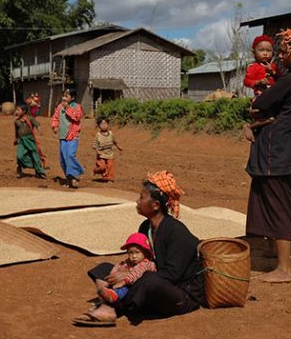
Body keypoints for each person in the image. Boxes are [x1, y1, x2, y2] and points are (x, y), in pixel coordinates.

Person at [72, 171, 205, 327]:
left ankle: (110, 307)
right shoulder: (145, 227)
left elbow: (172, 274)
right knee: (103, 269)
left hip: (180, 294)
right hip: (150, 280)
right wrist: (124, 272)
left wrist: (129, 277)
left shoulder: (177, 232)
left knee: (149, 279)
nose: (137, 201)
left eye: (142, 198)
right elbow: (141, 259)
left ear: (155, 205)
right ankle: (111, 297)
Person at [243, 23, 291, 283]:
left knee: (278, 208)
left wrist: (255, 113)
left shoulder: (288, 80)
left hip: (277, 152)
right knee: (289, 205)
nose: (280, 56)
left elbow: (260, 103)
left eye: (286, 51)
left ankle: (283, 269)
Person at [96, 232, 156, 304]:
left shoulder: (146, 263)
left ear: (145, 252)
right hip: (129, 282)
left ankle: (114, 297)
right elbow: (119, 266)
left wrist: (123, 282)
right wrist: (113, 275)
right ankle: (108, 296)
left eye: (137, 252)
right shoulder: (129, 261)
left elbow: (136, 273)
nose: (134, 256)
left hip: (140, 288)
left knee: (125, 289)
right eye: (130, 253)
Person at [243, 35, 280, 142]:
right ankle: (250, 126)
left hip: (273, 97)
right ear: (254, 52)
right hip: (261, 96)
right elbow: (246, 81)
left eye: (268, 50)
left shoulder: (273, 67)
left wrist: (273, 72)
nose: (265, 53)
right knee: (269, 117)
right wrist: (258, 82)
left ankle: (252, 127)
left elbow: (281, 79)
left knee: (274, 118)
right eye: (261, 50)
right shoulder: (252, 67)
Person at [51, 88, 84, 188]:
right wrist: (55, 126)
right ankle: (69, 178)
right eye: (63, 95)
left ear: (72, 98)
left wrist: (67, 108)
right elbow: (55, 118)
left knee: (70, 155)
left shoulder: (77, 106)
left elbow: (77, 117)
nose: (64, 98)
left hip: (73, 136)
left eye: (66, 96)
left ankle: (75, 175)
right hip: (62, 137)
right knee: (63, 159)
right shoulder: (59, 107)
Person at [14, 104, 47, 179]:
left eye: (18, 110)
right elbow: (16, 131)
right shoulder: (16, 122)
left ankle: (40, 172)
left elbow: (37, 125)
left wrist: (40, 131)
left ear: (24, 111)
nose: (16, 111)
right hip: (21, 141)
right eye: (16, 110)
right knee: (19, 156)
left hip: (30, 140)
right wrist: (16, 139)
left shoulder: (30, 118)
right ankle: (20, 169)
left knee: (35, 156)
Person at [92, 116, 122, 182]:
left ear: (108, 124)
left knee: (111, 166)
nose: (104, 125)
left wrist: (118, 147)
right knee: (102, 167)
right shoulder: (98, 135)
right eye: (102, 124)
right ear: (99, 126)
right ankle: (96, 170)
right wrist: (97, 151)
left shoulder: (111, 133)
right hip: (101, 155)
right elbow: (94, 145)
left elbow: (114, 141)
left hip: (110, 154)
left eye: (105, 123)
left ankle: (109, 178)